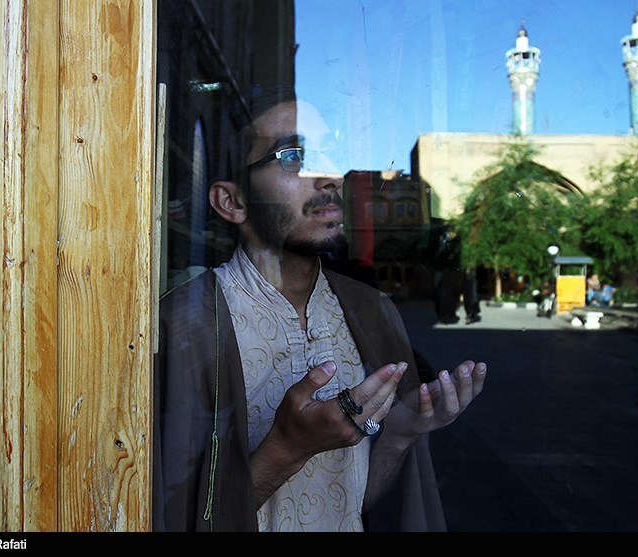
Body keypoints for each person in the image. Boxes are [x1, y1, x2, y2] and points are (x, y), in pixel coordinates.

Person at [153, 87, 488, 532]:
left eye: (329, 155)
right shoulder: (181, 326)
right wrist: (286, 449)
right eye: (294, 156)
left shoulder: (372, 313)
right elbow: (166, 516)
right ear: (232, 202)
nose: (328, 176)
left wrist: (401, 431)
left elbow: (358, 505)